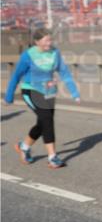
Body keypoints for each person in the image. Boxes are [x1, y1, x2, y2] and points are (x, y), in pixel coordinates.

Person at [4, 27, 81, 168]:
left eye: (50, 40)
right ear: (37, 41)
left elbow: (64, 73)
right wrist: (9, 96)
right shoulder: (28, 55)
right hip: (31, 90)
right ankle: (52, 157)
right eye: (46, 41)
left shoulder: (55, 53)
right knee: (47, 120)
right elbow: (16, 75)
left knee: (43, 122)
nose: (49, 43)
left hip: (49, 91)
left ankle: (24, 147)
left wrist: (74, 93)